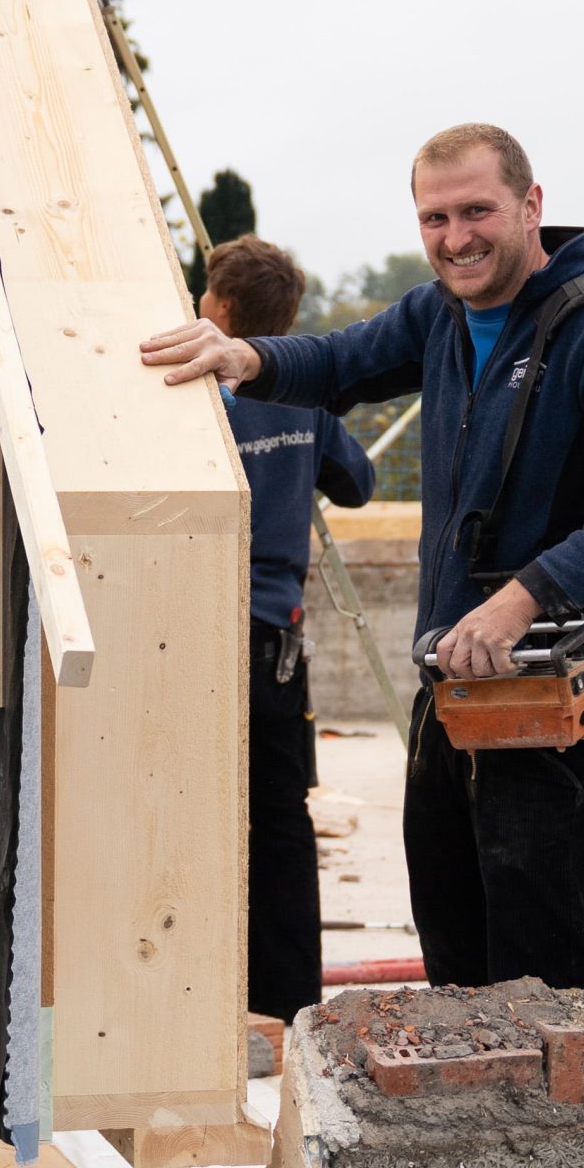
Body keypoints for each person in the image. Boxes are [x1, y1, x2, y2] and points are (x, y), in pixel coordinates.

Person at [141, 125, 584, 990]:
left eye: (477, 210)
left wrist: (526, 595)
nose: (457, 238)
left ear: (532, 206)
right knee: (458, 970)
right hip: (457, 689)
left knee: (542, 985)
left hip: (564, 708)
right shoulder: (441, 315)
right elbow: (339, 361)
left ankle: (561, 1126)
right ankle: (482, 1124)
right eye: (434, 218)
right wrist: (245, 356)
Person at [198, 236, 377, 1023]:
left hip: (199, 636)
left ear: (225, 310)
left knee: (195, 812)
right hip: (276, 644)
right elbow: (361, 484)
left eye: (206, 297)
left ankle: (204, 997)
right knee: (280, 820)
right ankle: (289, 999)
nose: (198, 309)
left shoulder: (197, 392)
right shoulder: (306, 401)